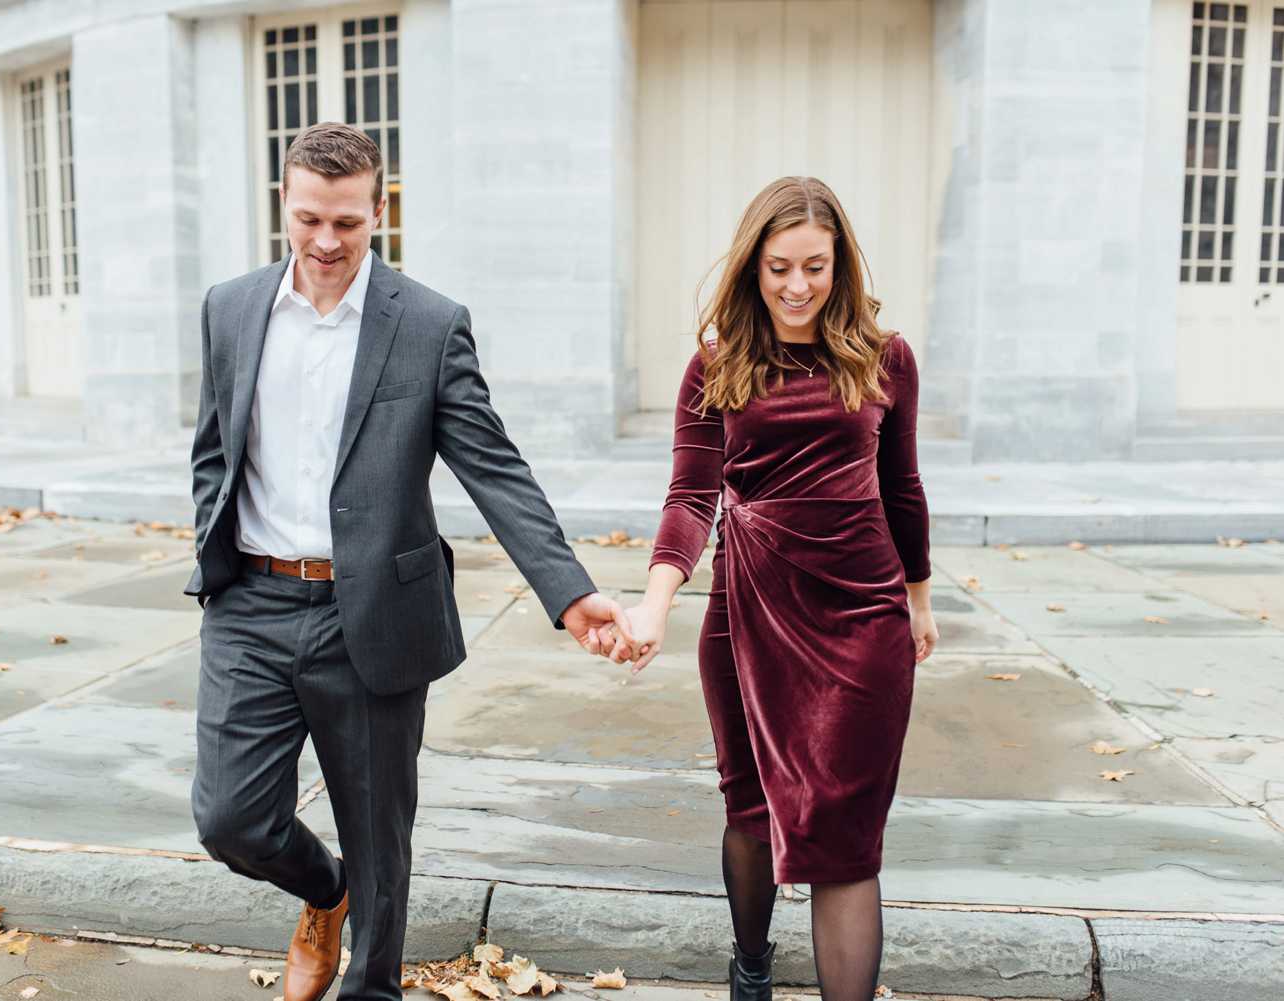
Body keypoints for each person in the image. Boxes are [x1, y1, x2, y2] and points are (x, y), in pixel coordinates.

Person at [184, 122, 631, 1001]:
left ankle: (372, 984)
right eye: (308, 217)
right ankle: (325, 890)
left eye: (347, 223)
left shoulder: (427, 324)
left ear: (378, 210)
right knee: (231, 817)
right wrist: (213, 544)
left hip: (377, 614)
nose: (324, 241)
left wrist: (569, 592)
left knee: (381, 837)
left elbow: (493, 465)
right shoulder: (230, 308)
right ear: (283, 199)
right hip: (253, 604)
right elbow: (213, 447)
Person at [607, 176, 938, 1001]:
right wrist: (656, 602)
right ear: (754, 265)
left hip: (863, 617)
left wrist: (919, 600)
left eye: (816, 267)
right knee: (751, 814)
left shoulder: (885, 356)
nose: (798, 286)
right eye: (780, 267)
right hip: (746, 612)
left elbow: (902, 488)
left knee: (845, 840)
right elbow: (690, 496)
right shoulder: (715, 364)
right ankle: (750, 962)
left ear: (841, 265)